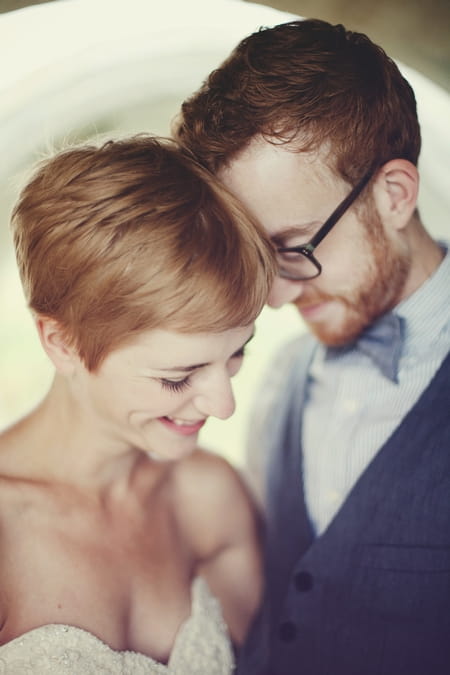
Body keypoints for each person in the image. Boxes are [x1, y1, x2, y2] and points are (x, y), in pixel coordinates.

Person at [174, 18, 450, 675]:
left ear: (394, 194)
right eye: (258, 260)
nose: (274, 298)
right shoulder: (277, 378)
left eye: (294, 248)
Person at [0, 135, 276, 674]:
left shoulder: (210, 499)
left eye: (237, 353)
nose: (223, 405)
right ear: (63, 343)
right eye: (178, 377)